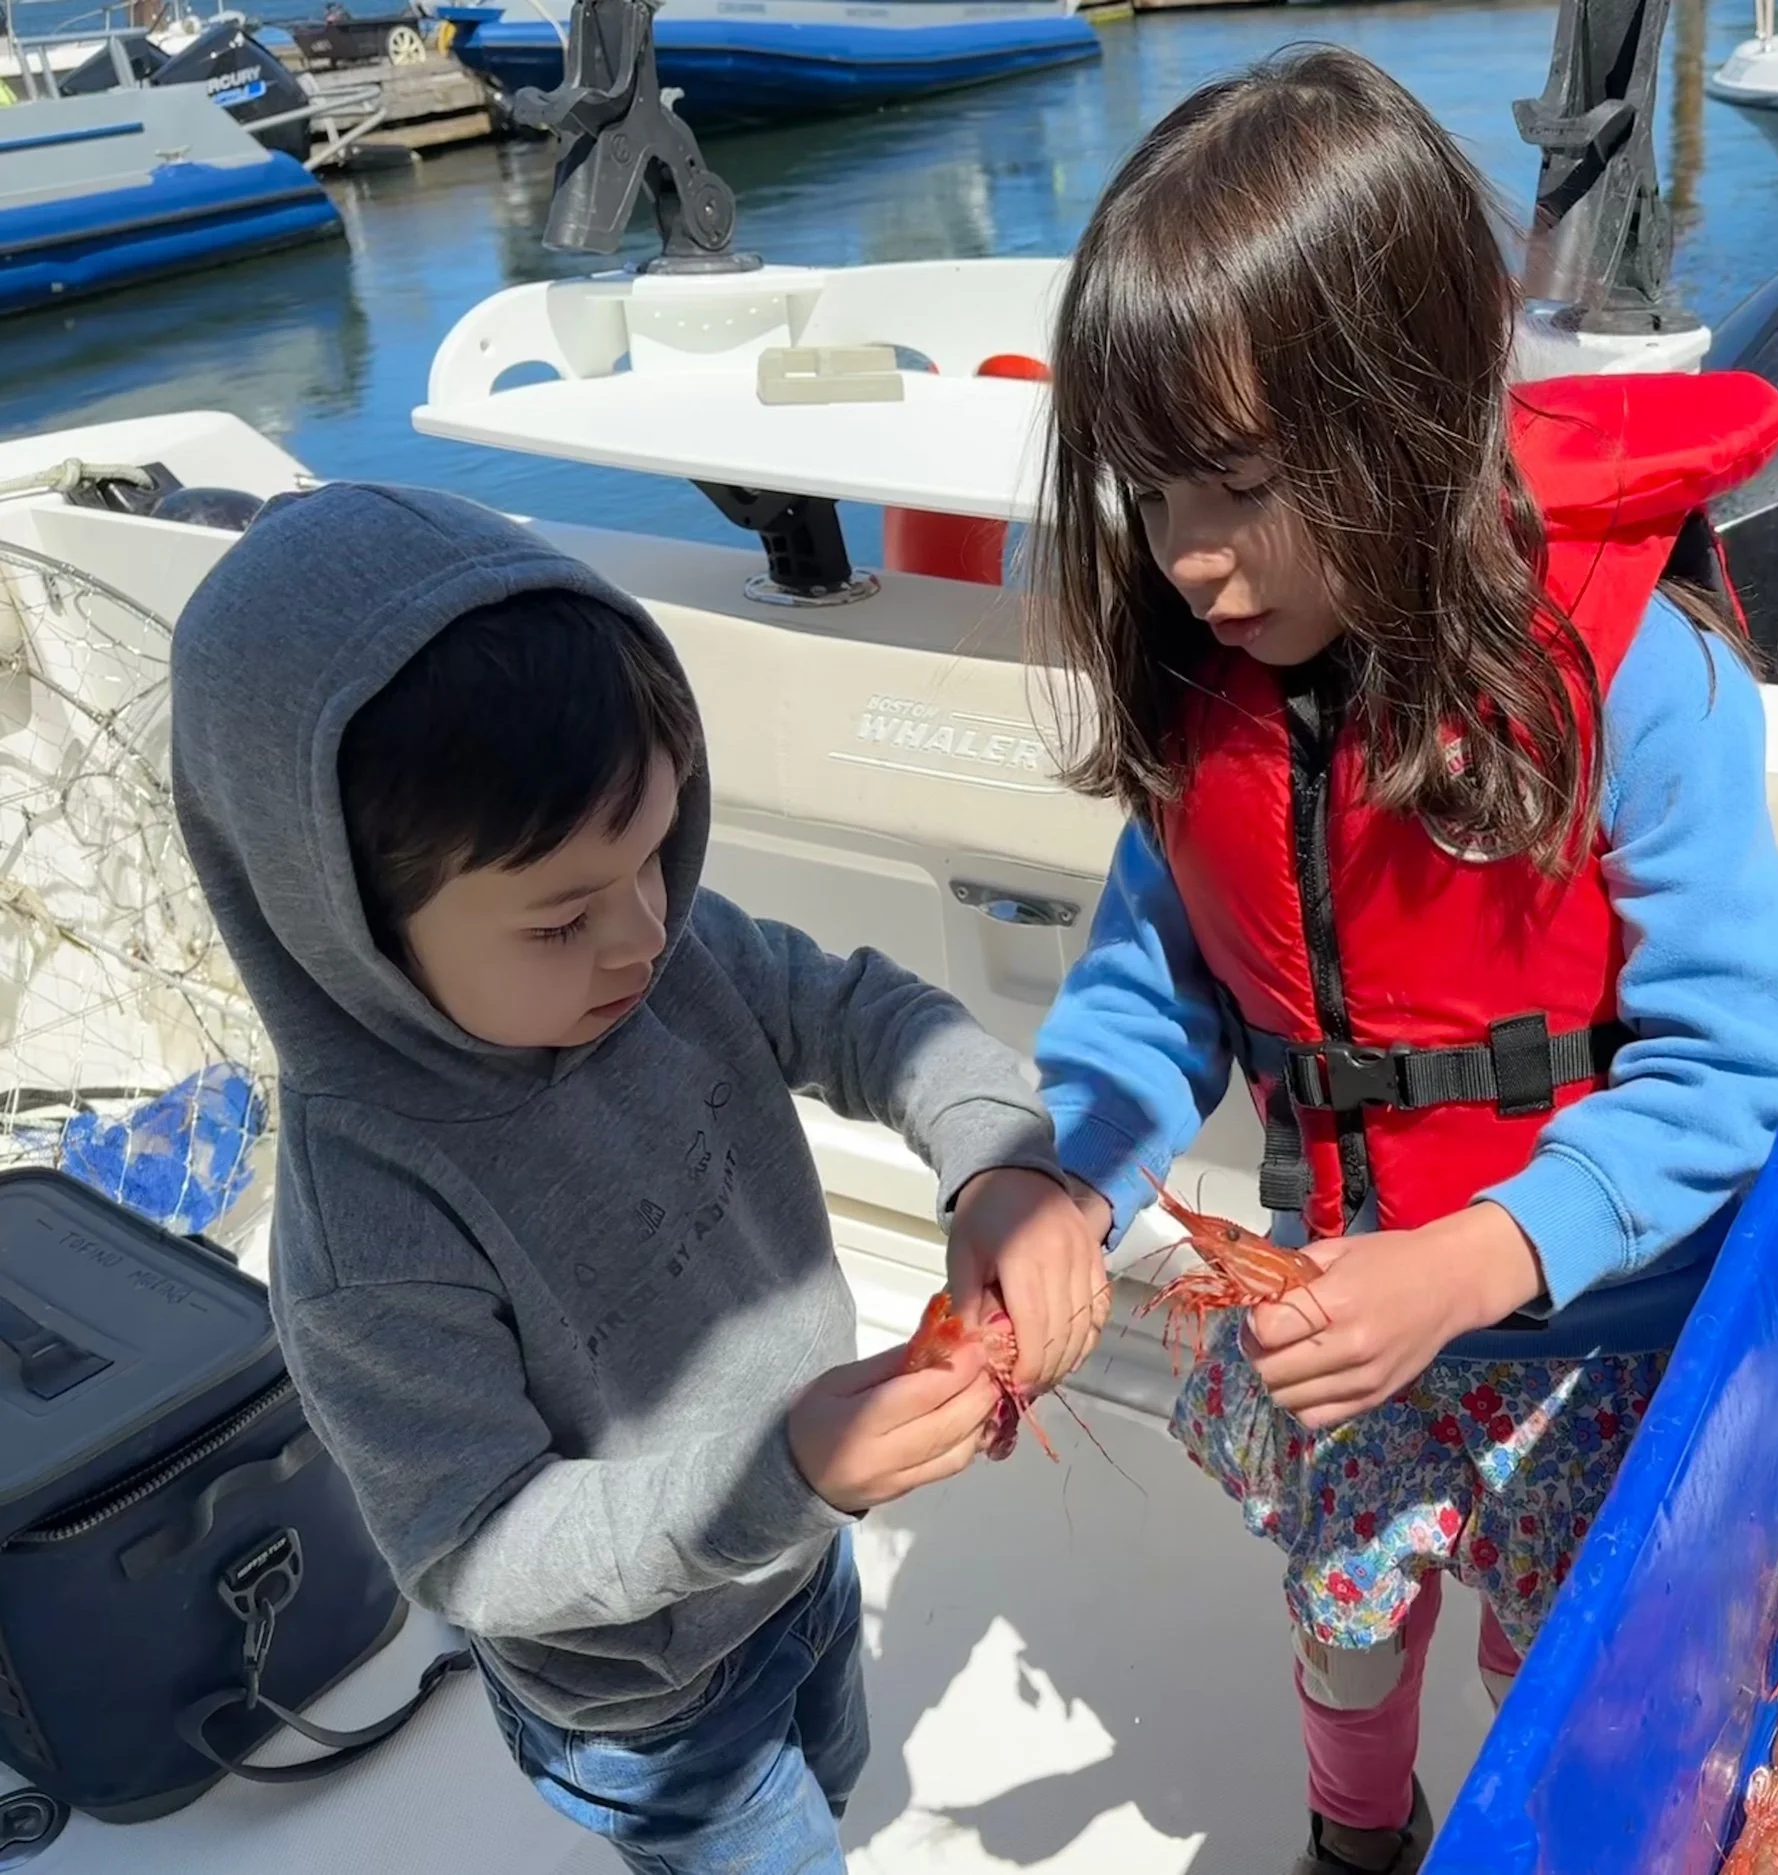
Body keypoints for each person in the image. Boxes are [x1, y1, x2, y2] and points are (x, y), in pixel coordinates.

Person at [1027, 46, 1778, 1875]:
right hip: (1346, 1317)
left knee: (1560, 1650)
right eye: (1153, 496)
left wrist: (1469, 1263)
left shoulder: (1640, 682)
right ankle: (1357, 1835)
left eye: (1235, 485)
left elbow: (1735, 1068)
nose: (1194, 562)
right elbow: (1153, 1001)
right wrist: (1067, 1176)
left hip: (1601, 1325)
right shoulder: (1212, 709)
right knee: (1347, 1608)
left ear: (1413, 411)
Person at [170, 484, 1107, 1874]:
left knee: (832, 1767)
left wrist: (999, 1166)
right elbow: (480, 1545)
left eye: (658, 849)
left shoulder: (671, 945)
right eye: (562, 915)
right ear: (347, 921)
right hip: (645, 1700)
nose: (642, 932)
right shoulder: (369, 1219)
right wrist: (781, 1473)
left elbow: (866, 1016)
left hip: (799, 1549)